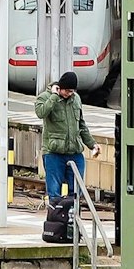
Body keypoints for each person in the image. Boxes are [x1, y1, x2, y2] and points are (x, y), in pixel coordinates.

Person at [35, 72, 94, 201]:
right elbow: (41, 113)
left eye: (72, 91)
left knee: (77, 191)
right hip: (54, 152)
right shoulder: (45, 97)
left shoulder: (76, 99)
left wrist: (92, 144)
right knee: (54, 192)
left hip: (74, 151)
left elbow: (81, 124)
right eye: (67, 91)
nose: (69, 94)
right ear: (60, 87)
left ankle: (73, 218)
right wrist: (54, 97)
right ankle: (56, 218)